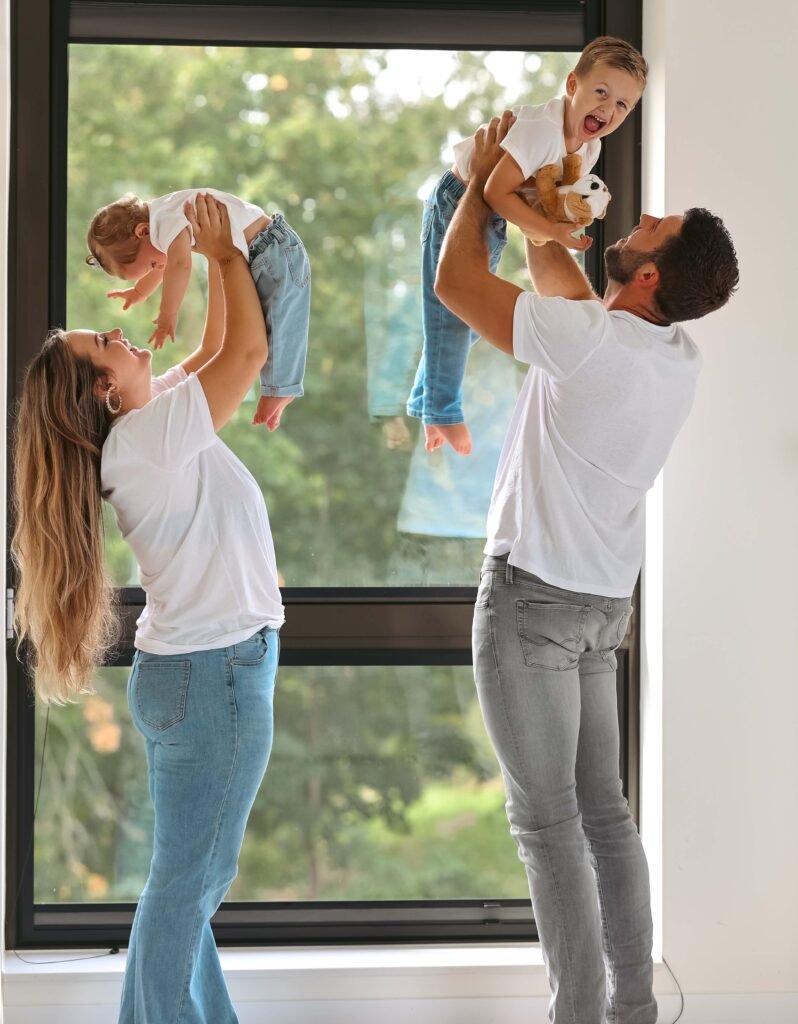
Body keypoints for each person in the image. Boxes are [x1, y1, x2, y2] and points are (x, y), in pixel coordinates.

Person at [435, 114, 738, 1022]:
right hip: (603, 611)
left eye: (650, 230)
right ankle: (631, 1010)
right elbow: (554, 272)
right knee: (603, 815)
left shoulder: (591, 343)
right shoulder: (671, 353)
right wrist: (534, 206)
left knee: (548, 825)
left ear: (648, 277)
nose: (634, 222)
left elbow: (456, 284)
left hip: (531, 605)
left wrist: (476, 182)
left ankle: (576, 1014)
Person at [12, 195, 284, 1023]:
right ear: (103, 388)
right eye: (107, 342)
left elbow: (211, 347)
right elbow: (249, 352)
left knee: (187, 879)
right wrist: (228, 253)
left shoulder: (145, 426)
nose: (121, 335)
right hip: (215, 676)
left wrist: (199, 259)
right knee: (188, 884)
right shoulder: (145, 441)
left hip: (195, 674)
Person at [407, 36, 648, 456]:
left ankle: (426, 393)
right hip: (460, 199)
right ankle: (441, 411)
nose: (608, 109)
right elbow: (496, 191)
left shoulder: (590, 146)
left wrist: (565, 218)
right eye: (601, 92)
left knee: (468, 320)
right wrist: (551, 232)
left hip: (492, 213)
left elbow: (545, 194)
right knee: (451, 314)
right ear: (572, 85)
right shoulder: (541, 131)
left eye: (623, 105)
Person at [86, 186, 311, 431]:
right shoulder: (160, 220)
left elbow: (179, 266)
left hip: (270, 247)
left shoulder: (166, 221)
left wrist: (167, 315)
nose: (156, 268)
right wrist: (140, 291)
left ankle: (281, 389)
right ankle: (280, 387)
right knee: (273, 322)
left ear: (142, 231)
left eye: (150, 264)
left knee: (282, 321)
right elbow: (165, 266)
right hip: (260, 251)